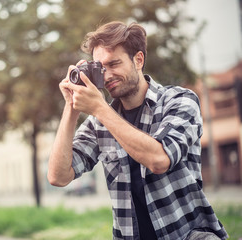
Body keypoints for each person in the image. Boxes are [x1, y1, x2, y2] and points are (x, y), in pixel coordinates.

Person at [47, 21, 228, 240]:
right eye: (101, 68)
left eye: (114, 64)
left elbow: (159, 159)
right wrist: (71, 106)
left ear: (138, 60)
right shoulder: (99, 122)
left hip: (188, 235)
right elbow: (58, 176)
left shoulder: (179, 101)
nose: (106, 76)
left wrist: (100, 109)